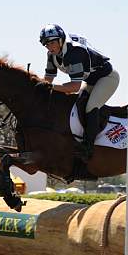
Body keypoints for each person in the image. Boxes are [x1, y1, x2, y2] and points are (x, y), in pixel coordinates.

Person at [39, 23, 120, 159]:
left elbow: (74, 87)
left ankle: (88, 148)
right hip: (91, 81)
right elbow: (48, 79)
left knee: (90, 107)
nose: (49, 47)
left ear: (61, 40)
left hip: (107, 78)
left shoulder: (75, 53)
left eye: (52, 42)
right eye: (46, 44)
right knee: (77, 106)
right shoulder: (51, 54)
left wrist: (50, 88)